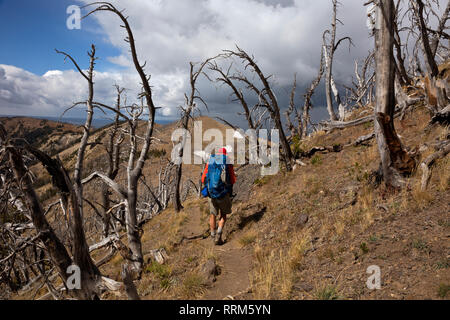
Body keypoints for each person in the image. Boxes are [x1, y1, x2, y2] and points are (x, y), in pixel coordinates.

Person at [201, 147, 236, 245]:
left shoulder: (210, 162)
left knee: (212, 215)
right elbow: (232, 180)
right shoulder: (227, 163)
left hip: (211, 194)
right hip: (223, 194)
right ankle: (219, 234)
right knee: (223, 214)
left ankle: (212, 236)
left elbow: (203, 179)